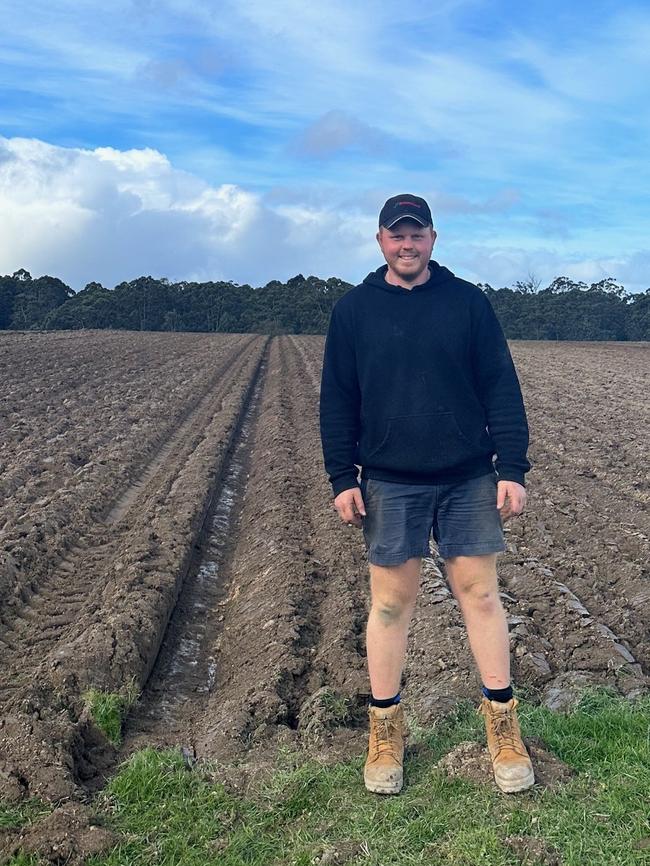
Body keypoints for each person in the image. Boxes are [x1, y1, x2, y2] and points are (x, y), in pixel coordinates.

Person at [319, 193, 534, 796]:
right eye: (396, 235)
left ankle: (503, 727)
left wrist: (511, 468)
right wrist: (343, 477)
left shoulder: (468, 305)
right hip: (389, 481)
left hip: (467, 477)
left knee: (481, 596)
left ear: (433, 240)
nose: (406, 244)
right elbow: (337, 400)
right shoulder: (354, 311)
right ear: (380, 241)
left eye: (416, 235)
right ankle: (385, 731)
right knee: (389, 606)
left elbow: (501, 387)